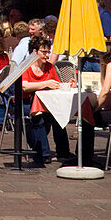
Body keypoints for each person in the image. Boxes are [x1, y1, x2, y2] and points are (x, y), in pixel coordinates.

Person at [21, 35, 71, 167]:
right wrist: (46, 83)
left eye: (48, 52)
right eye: (44, 52)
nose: (47, 55)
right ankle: (43, 153)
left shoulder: (50, 67)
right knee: (39, 117)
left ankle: (63, 152)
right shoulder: (26, 66)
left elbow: (57, 84)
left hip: (48, 102)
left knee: (59, 117)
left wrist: (67, 85)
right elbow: (25, 86)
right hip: (27, 101)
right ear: (34, 52)